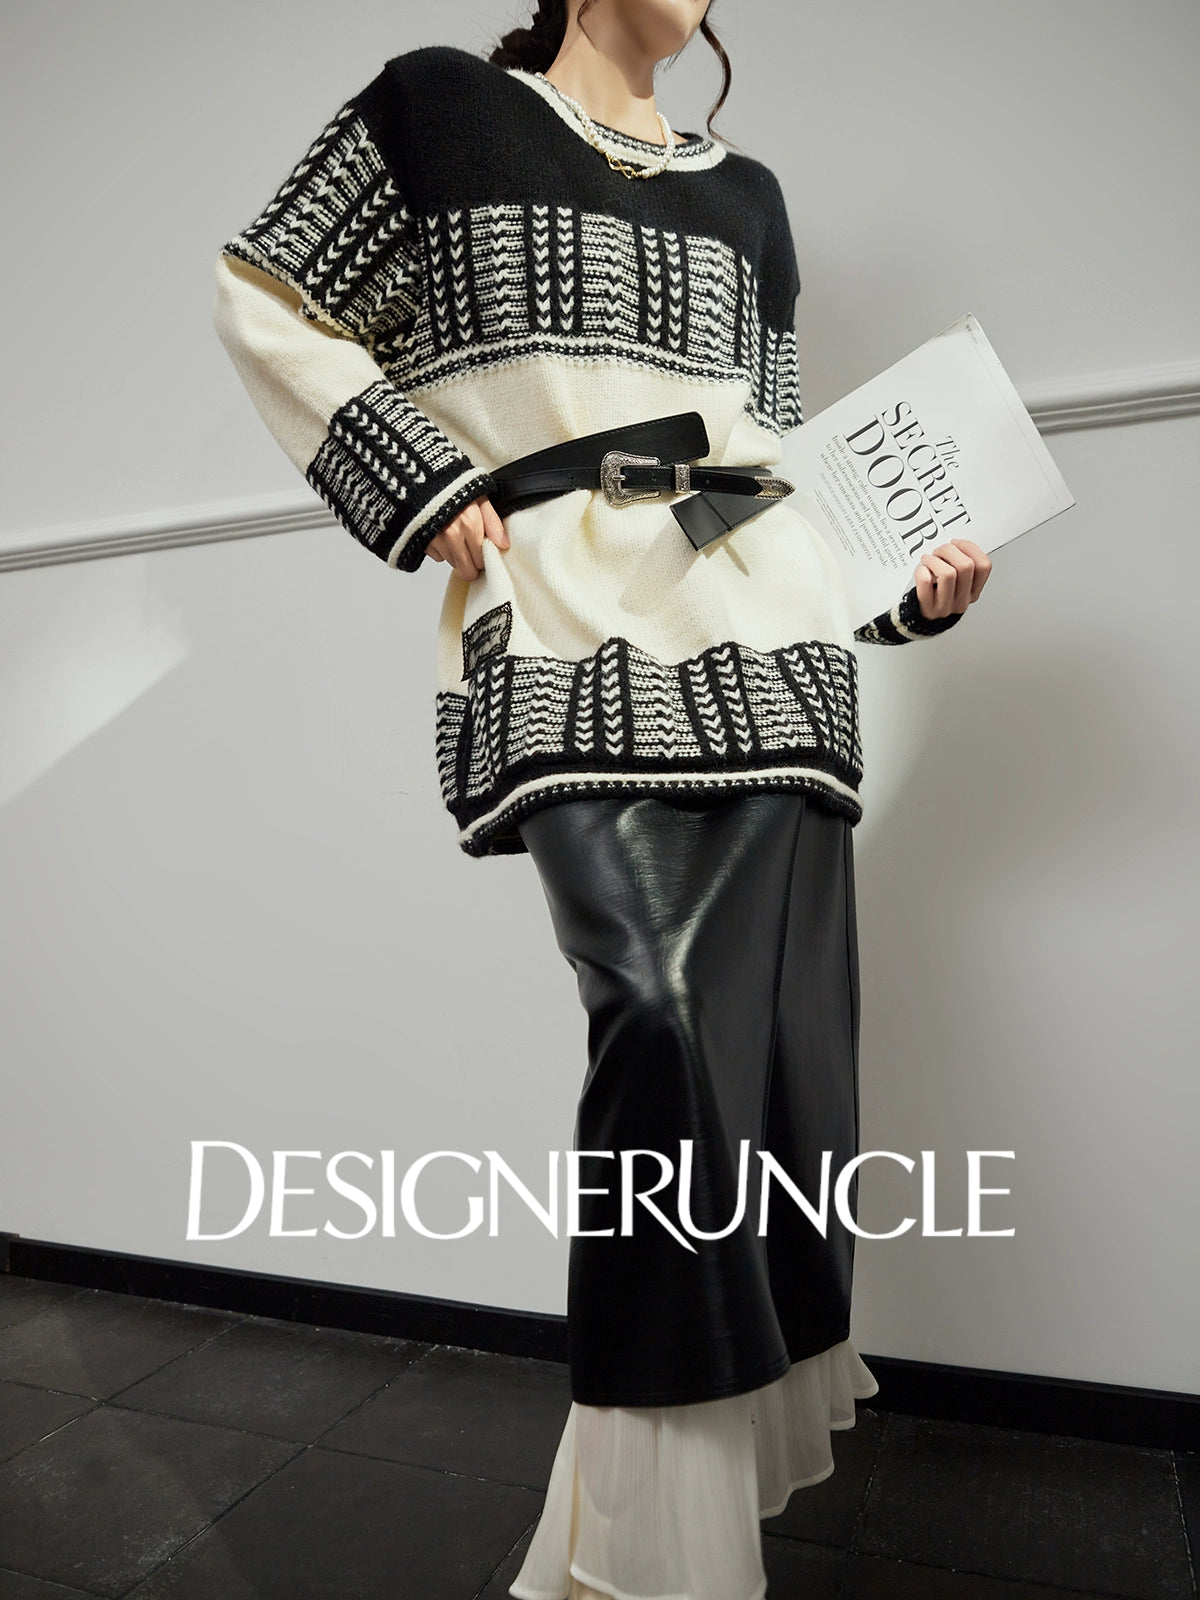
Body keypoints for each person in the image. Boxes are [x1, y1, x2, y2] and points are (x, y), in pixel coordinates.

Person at [211, 3, 992, 1596]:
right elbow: (268, 295)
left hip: (769, 659)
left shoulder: (749, 195)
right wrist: (423, 480)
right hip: (563, 623)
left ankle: (659, 1518)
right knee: (660, 1018)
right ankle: (640, 1540)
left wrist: (905, 596)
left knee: (775, 1071)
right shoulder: (441, 108)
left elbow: (770, 455)